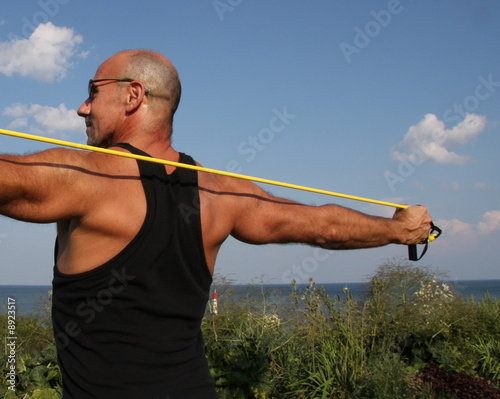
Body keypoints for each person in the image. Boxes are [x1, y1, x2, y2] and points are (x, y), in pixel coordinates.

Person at [0, 49, 433, 398]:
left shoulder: (87, 177)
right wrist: (398, 230)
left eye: (93, 91)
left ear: (133, 95)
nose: (82, 107)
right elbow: (322, 226)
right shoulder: (222, 194)